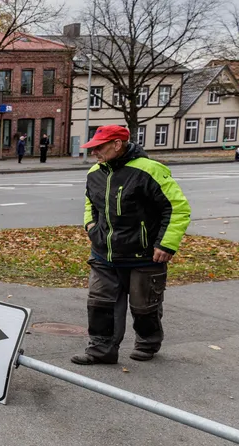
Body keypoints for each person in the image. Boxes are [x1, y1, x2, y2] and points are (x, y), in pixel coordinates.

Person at [73, 125, 191, 366]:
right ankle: (101, 350)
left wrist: (166, 245)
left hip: (144, 255)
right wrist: (91, 227)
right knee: (99, 304)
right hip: (104, 253)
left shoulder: (149, 171)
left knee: (144, 306)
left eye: (99, 147)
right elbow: (90, 204)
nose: (95, 152)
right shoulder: (95, 172)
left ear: (117, 144)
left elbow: (177, 208)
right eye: (93, 148)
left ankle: (147, 343)